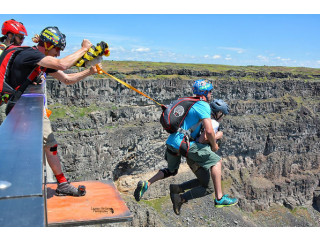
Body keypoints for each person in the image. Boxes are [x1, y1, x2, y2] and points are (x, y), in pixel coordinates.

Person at [3, 26, 102, 196]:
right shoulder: (31, 56)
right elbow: (62, 64)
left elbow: (67, 79)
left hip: (30, 110)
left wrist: (90, 71)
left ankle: (59, 183)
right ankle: (34, 185)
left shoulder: (40, 61)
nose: (57, 54)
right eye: (57, 49)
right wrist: (84, 49)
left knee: (49, 144)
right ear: (48, 45)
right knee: (39, 146)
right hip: (23, 110)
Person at [170, 98, 238, 215]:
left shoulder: (202, 119)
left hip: (193, 156)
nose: (222, 117)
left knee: (206, 182)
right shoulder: (213, 123)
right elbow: (203, 139)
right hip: (197, 156)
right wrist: (217, 136)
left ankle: (177, 189)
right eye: (222, 114)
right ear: (217, 113)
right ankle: (218, 198)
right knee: (213, 175)